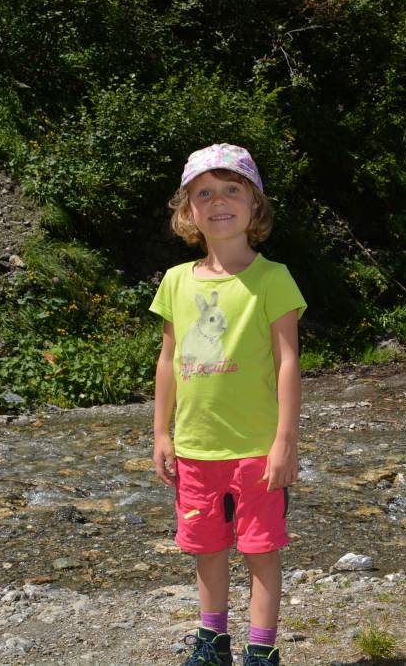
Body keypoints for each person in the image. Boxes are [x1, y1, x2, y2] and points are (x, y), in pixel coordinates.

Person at [150, 144, 305, 666]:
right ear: (188, 211)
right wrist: (162, 434)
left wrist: (285, 442)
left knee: (262, 551)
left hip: (258, 448)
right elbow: (168, 360)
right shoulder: (176, 280)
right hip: (196, 447)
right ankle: (212, 642)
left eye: (231, 190)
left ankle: (261, 651)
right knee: (206, 547)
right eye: (204, 193)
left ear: (254, 205)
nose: (218, 202)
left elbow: (288, 363)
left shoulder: (272, 278)